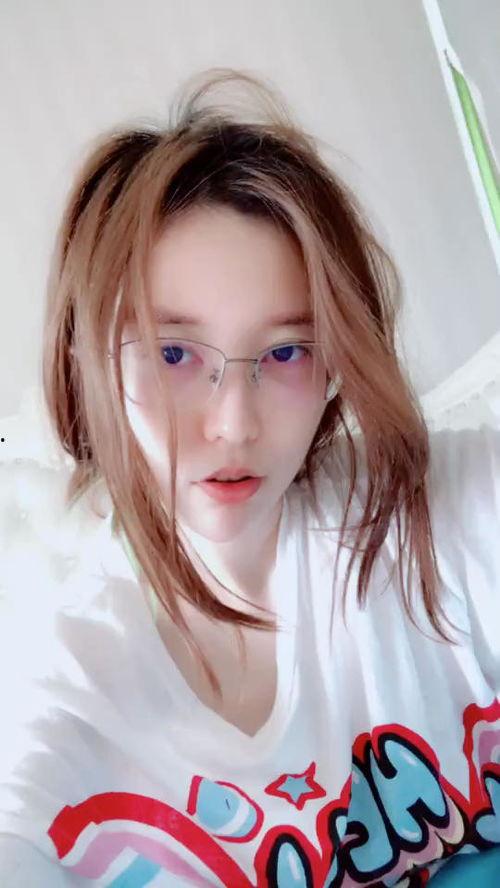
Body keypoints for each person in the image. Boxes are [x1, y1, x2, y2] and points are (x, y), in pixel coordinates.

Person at [0, 67, 499, 887]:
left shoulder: (440, 518)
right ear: (90, 362)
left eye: (287, 351)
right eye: (173, 354)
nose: (234, 423)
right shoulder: (69, 707)